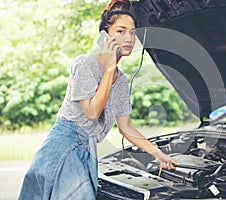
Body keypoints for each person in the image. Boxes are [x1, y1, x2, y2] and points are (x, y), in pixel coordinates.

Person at [18, 0, 178, 199]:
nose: (129, 38)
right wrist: (110, 68)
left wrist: (158, 154)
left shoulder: (121, 82)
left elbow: (125, 127)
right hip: (63, 149)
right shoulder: (85, 64)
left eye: (133, 32)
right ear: (105, 35)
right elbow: (92, 113)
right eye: (120, 31)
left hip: (87, 151)